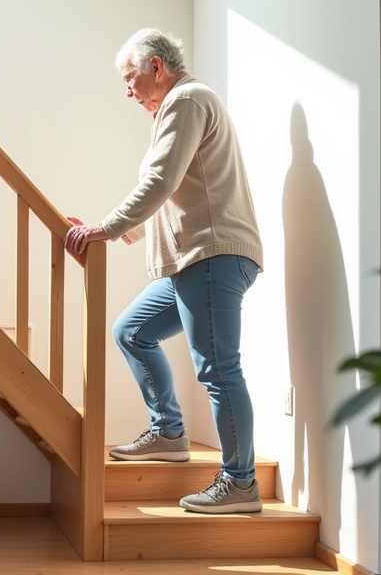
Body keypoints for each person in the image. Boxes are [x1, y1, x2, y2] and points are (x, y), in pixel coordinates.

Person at [64, 28, 264, 514]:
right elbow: (170, 193)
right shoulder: (179, 108)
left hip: (211, 256)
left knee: (218, 368)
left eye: (130, 78)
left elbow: (160, 180)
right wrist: (112, 231)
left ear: (156, 66)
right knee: (131, 330)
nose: (127, 90)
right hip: (191, 263)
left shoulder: (188, 99)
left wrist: (106, 229)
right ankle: (169, 430)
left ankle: (241, 482)